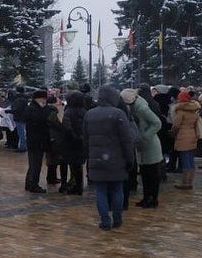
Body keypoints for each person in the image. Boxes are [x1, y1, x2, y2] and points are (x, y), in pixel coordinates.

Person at [83, 86, 135, 230]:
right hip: (116, 160)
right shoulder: (118, 114)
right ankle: (117, 219)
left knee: (101, 191)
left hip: (97, 160)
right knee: (117, 189)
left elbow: (85, 139)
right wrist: (130, 159)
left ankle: (105, 221)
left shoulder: (89, 114)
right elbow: (127, 140)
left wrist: (88, 157)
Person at [124, 88, 163, 208]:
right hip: (142, 146)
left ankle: (152, 199)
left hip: (150, 146)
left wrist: (145, 136)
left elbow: (157, 123)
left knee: (152, 175)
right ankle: (146, 198)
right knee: (145, 175)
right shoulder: (134, 108)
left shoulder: (141, 109)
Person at [171, 89, 202, 190]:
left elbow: (176, 125)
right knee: (190, 159)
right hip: (192, 135)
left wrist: (172, 133)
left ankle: (185, 182)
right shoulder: (194, 109)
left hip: (183, 137)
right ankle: (190, 181)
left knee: (185, 159)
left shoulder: (181, 111)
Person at [61, 91, 87, 195]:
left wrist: (74, 137)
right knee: (79, 165)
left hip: (71, 142)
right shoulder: (84, 111)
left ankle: (75, 186)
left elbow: (67, 127)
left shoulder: (68, 111)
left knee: (73, 164)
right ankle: (79, 186)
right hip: (82, 141)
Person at [24, 90, 49, 193]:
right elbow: (39, 120)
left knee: (33, 163)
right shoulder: (34, 109)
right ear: (38, 99)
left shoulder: (33, 108)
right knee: (36, 164)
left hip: (34, 140)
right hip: (36, 141)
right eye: (43, 99)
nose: (45, 101)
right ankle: (33, 185)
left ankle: (29, 183)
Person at [44, 96, 67, 190]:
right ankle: (51, 178)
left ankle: (51, 177)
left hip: (50, 137)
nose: (60, 103)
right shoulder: (53, 112)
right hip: (55, 138)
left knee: (51, 159)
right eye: (58, 101)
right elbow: (57, 124)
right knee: (56, 158)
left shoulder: (46, 110)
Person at [10, 87, 29, 152]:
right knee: (22, 132)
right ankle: (22, 146)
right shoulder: (24, 98)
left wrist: (9, 111)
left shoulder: (19, 100)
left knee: (21, 133)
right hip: (22, 117)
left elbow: (17, 109)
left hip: (19, 118)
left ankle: (22, 147)